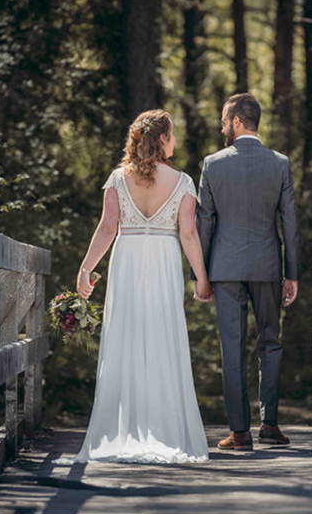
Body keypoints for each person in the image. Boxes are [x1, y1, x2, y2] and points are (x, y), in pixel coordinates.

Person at [58, 110, 211, 464]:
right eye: (172, 135)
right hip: (163, 263)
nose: (175, 142)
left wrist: (86, 270)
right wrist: (201, 277)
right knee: (162, 337)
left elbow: (107, 228)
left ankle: (122, 431)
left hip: (127, 262)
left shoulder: (117, 179)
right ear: (162, 140)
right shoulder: (183, 181)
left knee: (125, 339)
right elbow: (188, 233)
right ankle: (165, 430)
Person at [195, 93, 301, 451]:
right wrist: (293, 273)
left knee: (233, 347)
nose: (222, 127)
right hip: (269, 265)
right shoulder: (280, 163)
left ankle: (240, 433)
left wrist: (202, 275)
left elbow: (204, 223)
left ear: (238, 121)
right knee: (270, 343)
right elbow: (290, 222)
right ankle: (269, 424)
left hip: (224, 269)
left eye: (225, 121)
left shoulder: (212, 164)